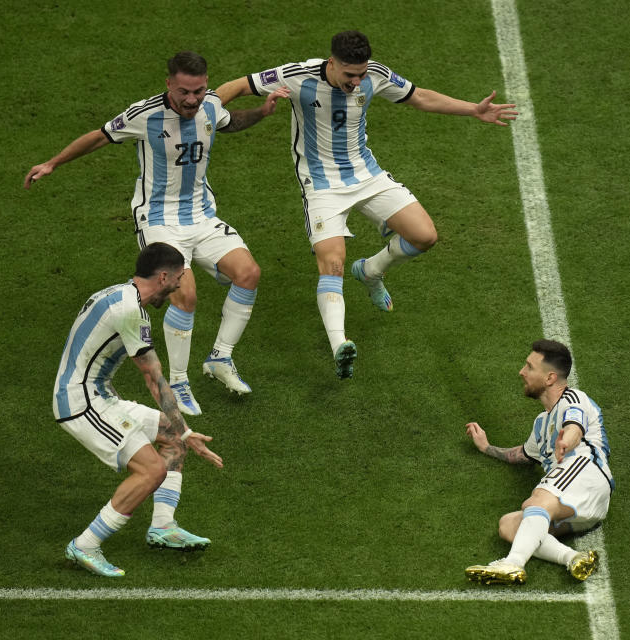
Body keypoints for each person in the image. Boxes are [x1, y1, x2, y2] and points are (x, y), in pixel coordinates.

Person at [215, 31, 517, 378]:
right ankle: (339, 343)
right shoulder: (297, 75)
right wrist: (207, 113)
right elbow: (238, 84)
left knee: (425, 236)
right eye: (349, 75)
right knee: (332, 264)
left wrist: (472, 110)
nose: (357, 82)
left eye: (360, 74)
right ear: (331, 64)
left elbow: (420, 97)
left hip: (366, 175)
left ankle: (371, 270)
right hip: (322, 185)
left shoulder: (375, 74)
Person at [26, 51, 290, 414]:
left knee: (249, 273)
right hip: (159, 219)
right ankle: (179, 382)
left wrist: (261, 113)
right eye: (184, 91)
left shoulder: (210, 107)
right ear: (169, 84)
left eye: (198, 91)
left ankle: (219, 359)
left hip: (201, 214)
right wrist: (52, 163)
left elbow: (229, 122)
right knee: (185, 293)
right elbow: (100, 137)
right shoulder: (145, 114)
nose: (192, 100)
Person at [54, 242, 224, 578]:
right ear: (162, 277)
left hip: (99, 394)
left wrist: (181, 433)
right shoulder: (130, 310)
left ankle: (162, 526)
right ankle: (85, 545)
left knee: (172, 440)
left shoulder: (119, 294)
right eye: (177, 280)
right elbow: (153, 377)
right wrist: (187, 430)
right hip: (81, 402)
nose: (178, 287)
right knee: (151, 470)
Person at [463, 340, 613, 584]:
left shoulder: (573, 399)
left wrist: (568, 441)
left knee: (537, 500)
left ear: (550, 378)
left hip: (585, 473)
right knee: (509, 526)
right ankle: (574, 558)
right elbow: (522, 455)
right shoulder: (542, 423)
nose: (522, 372)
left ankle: (512, 564)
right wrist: (486, 447)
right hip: (581, 507)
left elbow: (574, 425)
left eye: (529, 367)